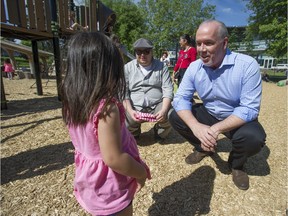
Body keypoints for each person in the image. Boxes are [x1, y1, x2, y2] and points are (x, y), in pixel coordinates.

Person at [169, 20, 266, 190]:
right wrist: (196, 127)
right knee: (175, 116)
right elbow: (180, 99)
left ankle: (236, 164)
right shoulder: (194, 67)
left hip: (236, 117)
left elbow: (250, 108)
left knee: (254, 138)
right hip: (209, 113)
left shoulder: (247, 65)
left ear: (224, 43)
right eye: (198, 43)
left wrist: (214, 130)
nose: (201, 49)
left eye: (208, 43)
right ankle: (204, 146)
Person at [61, 32, 150, 216]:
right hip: (111, 187)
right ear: (108, 68)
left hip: (90, 181)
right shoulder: (106, 108)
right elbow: (114, 159)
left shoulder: (73, 103)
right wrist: (140, 173)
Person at [123, 38, 174, 140]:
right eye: (139, 51)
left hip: (157, 104)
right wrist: (130, 110)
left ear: (152, 52)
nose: (142, 55)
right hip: (135, 105)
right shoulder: (127, 67)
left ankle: (160, 131)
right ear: (135, 52)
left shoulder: (162, 66)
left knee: (172, 115)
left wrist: (164, 110)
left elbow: (168, 90)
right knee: (125, 119)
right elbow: (124, 92)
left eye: (146, 51)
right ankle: (134, 132)